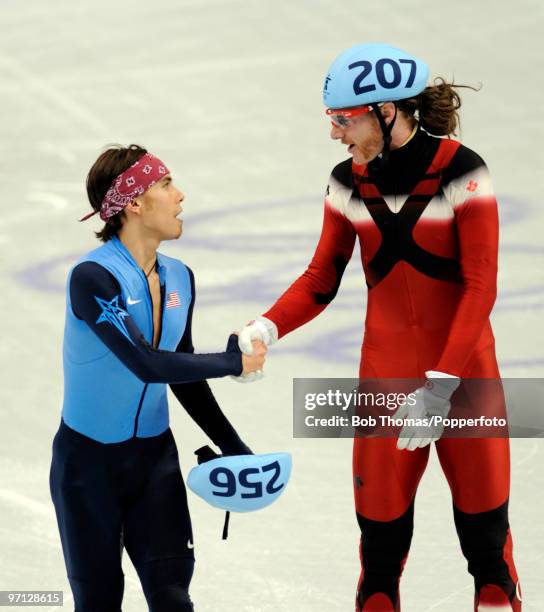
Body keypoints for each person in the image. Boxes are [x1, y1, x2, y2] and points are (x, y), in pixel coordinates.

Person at [235, 44, 522, 611]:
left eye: (343, 120)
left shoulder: (464, 171)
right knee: (379, 570)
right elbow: (321, 276)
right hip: (384, 385)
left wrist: (441, 386)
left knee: (490, 563)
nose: (335, 134)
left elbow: (479, 287)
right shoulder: (345, 182)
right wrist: (268, 325)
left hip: (466, 382)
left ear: (386, 110)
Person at [49, 144, 267, 611]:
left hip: (154, 464)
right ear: (134, 203)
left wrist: (232, 444)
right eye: (167, 185)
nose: (180, 196)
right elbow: (145, 363)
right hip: (87, 470)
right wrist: (233, 363)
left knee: (173, 600)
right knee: (99, 602)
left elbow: (181, 373)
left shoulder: (180, 277)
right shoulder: (93, 279)